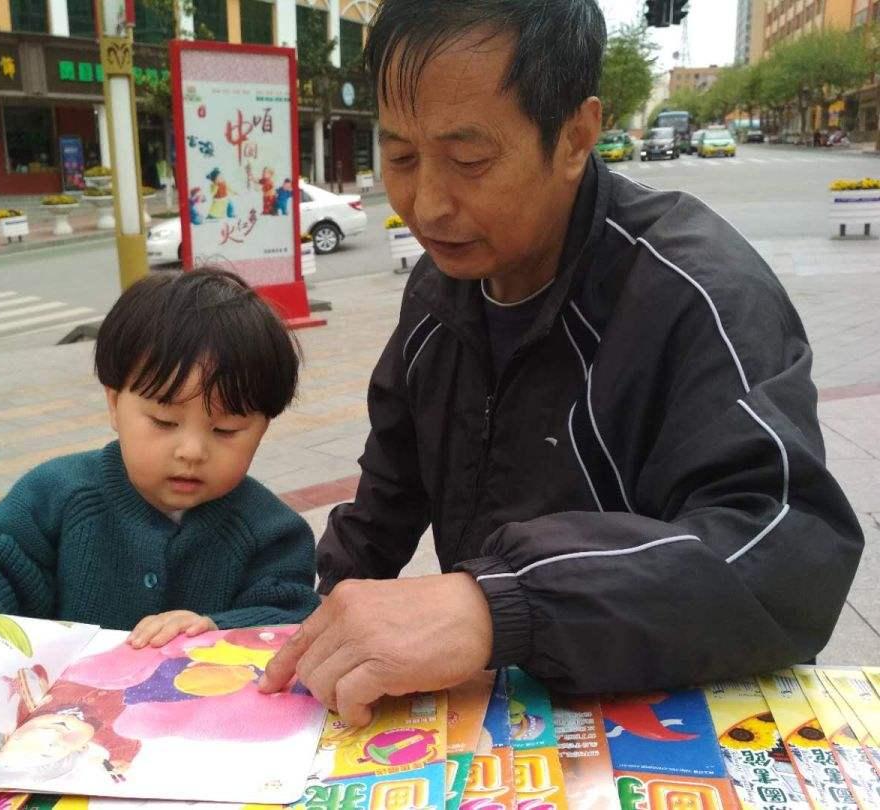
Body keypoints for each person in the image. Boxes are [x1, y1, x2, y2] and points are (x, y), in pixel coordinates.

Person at [260, 0, 863, 725]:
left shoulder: (695, 295)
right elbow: (390, 488)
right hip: (505, 712)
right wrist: (309, 622)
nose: (426, 204)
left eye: (469, 160)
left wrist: (497, 602)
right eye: (400, 156)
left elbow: (789, 549)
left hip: (669, 720)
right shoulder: (436, 292)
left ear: (576, 136)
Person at [0, 269, 320, 648]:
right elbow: (5, 568)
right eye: (164, 421)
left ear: (263, 428)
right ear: (114, 404)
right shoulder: (56, 494)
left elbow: (290, 618)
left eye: (226, 431)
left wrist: (217, 629)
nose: (191, 451)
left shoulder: (272, 534)